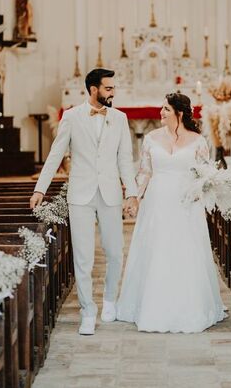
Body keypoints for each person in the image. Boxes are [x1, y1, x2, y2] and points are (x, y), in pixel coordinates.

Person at [30, 68, 138, 335]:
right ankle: (87, 311)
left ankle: (110, 300)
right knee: (83, 256)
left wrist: (132, 193)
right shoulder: (71, 117)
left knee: (115, 252)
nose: (113, 92)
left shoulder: (120, 118)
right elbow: (55, 155)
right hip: (80, 194)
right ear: (93, 89)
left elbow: (125, 158)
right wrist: (40, 189)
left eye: (114, 88)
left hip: (111, 193)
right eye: (108, 88)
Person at [116, 92, 227, 333]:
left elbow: (205, 173)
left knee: (185, 249)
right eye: (162, 108)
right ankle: (152, 304)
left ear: (179, 112)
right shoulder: (151, 138)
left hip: (186, 201)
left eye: (166, 109)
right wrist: (134, 196)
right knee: (156, 247)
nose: (161, 113)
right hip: (157, 200)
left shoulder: (198, 141)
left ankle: (188, 305)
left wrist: (202, 192)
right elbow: (145, 172)